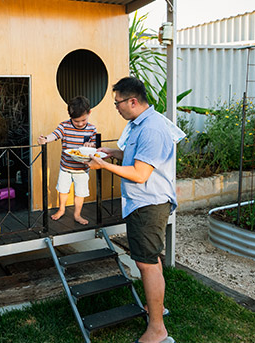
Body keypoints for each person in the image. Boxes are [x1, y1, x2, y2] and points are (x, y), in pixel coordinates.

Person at [87, 77, 177, 343]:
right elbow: (136, 158)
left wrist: (103, 166)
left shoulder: (151, 129)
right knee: (151, 259)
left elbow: (139, 173)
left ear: (133, 101)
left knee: (146, 264)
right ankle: (156, 308)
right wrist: (112, 153)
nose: (116, 108)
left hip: (148, 204)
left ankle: (157, 330)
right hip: (144, 203)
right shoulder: (142, 124)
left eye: (117, 103)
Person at [37, 95, 96, 225]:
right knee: (63, 190)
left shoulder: (92, 129)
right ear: (70, 117)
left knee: (80, 193)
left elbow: (95, 145)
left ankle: (77, 214)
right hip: (66, 167)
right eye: (76, 122)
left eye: (83, 120)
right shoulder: (64, 126)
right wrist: (45, 139)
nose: (80, 124)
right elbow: (55, 135)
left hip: (82, 169)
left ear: (89, 113)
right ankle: (61, 209)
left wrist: (91, 145)